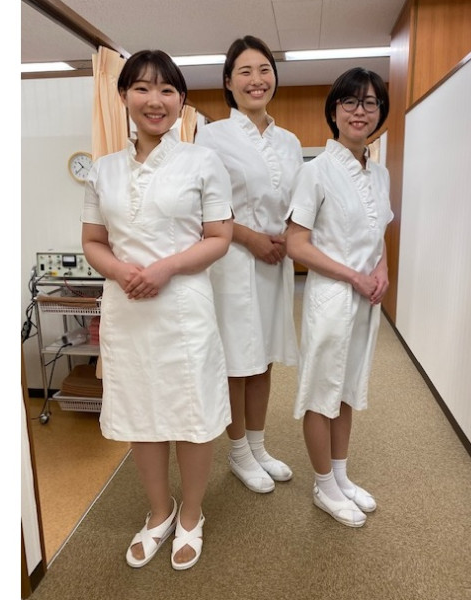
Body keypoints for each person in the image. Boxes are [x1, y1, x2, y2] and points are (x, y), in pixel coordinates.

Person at [81, 50, 233, 569]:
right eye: (142, 88)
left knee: (190, 413)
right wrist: (120, 271)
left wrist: (165, 269)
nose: (155, 100)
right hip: (127, 309)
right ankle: (159, 511)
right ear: (123, 95)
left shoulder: (202, 162)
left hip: (184, 309)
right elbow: (93, 241)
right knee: (141, 413)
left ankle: (191, 514)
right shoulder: (102, 171)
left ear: (181, 101)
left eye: (167, 90)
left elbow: (219, 237)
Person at [194, 36, 303, 495]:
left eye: (264, 70)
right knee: (238, 360)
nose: (256, 80)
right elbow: (204, 207)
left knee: (265, 358)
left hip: (275, 262)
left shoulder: (290, 141)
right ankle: (238, 451)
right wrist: (252, 238)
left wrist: (288, 236)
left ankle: (258, 446)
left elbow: (297, 201)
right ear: (228, 82)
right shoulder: (211, 136)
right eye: (245, 71)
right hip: (234, 261)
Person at [285, 67, 392, 527]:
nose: (359, 111)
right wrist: (353, 276)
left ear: (380, 112)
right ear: (334, 110)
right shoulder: (315, 172)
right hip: (331, 298)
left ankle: (341, 477)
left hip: (365, 300)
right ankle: (323, 485)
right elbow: (296, 244)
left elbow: (378, 232)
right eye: (350, 101)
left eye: (370, 102)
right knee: (320, 392)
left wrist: (382, 270)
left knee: (346, 389)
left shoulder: (380, 174)